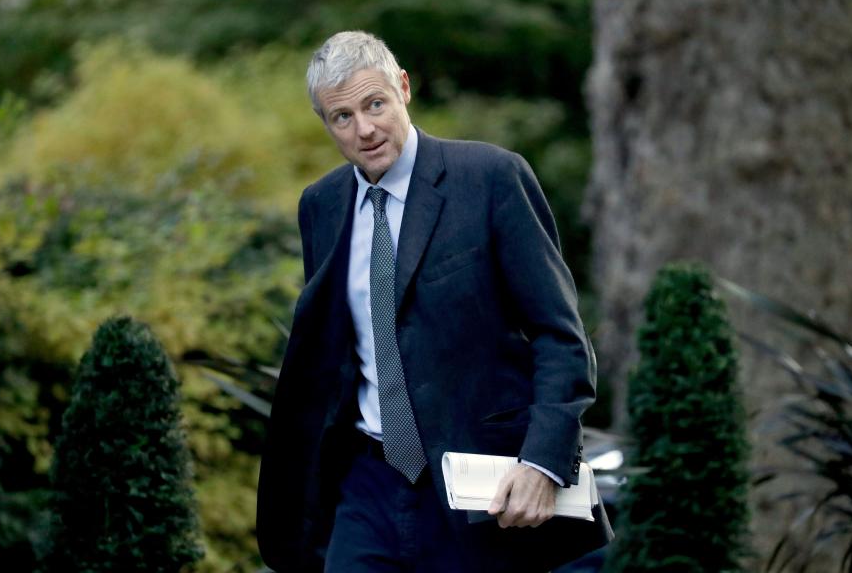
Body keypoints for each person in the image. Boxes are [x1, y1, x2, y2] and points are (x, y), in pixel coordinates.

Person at [257, 31, 612, 572]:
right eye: (342, 117)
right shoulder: (321, 206)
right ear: (326, 124)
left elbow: (560, 336)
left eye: (374, 104)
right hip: (367, 485)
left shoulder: (490, 179)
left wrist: (543, 461)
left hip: (482, 490)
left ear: (403, 88)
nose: (365, 129)